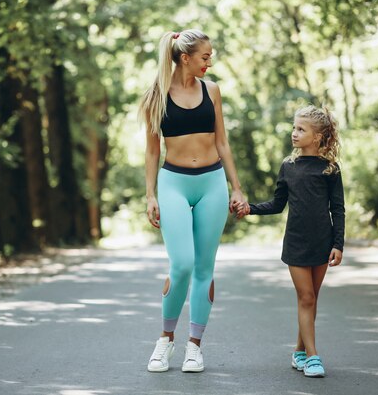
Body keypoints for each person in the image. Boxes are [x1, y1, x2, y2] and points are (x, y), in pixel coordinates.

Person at [139, 29, 249, 373]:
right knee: (182, 264)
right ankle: (165, 341)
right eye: (205, 57)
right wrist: (151, 194)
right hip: (173, 183)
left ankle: (194, 347)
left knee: (205, 268)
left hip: (212, 183)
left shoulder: (212, 90)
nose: (209, 62)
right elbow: (153, 150)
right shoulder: (156, 96)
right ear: (185, 57)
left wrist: (236, 187)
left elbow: (222, 143)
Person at [237, 105, 345, 378]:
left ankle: (299, 350)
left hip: (322, 242)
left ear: (318, 136)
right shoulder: (289, 166)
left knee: (311, 298)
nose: (294, 133)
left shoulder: (330, 169)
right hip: (296, 243)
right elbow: (277, 204)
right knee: (306, 297)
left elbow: (338, 209)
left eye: (300, 129)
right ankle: (312, 357)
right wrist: (250, 208)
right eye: (294, 127)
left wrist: (338, 244)